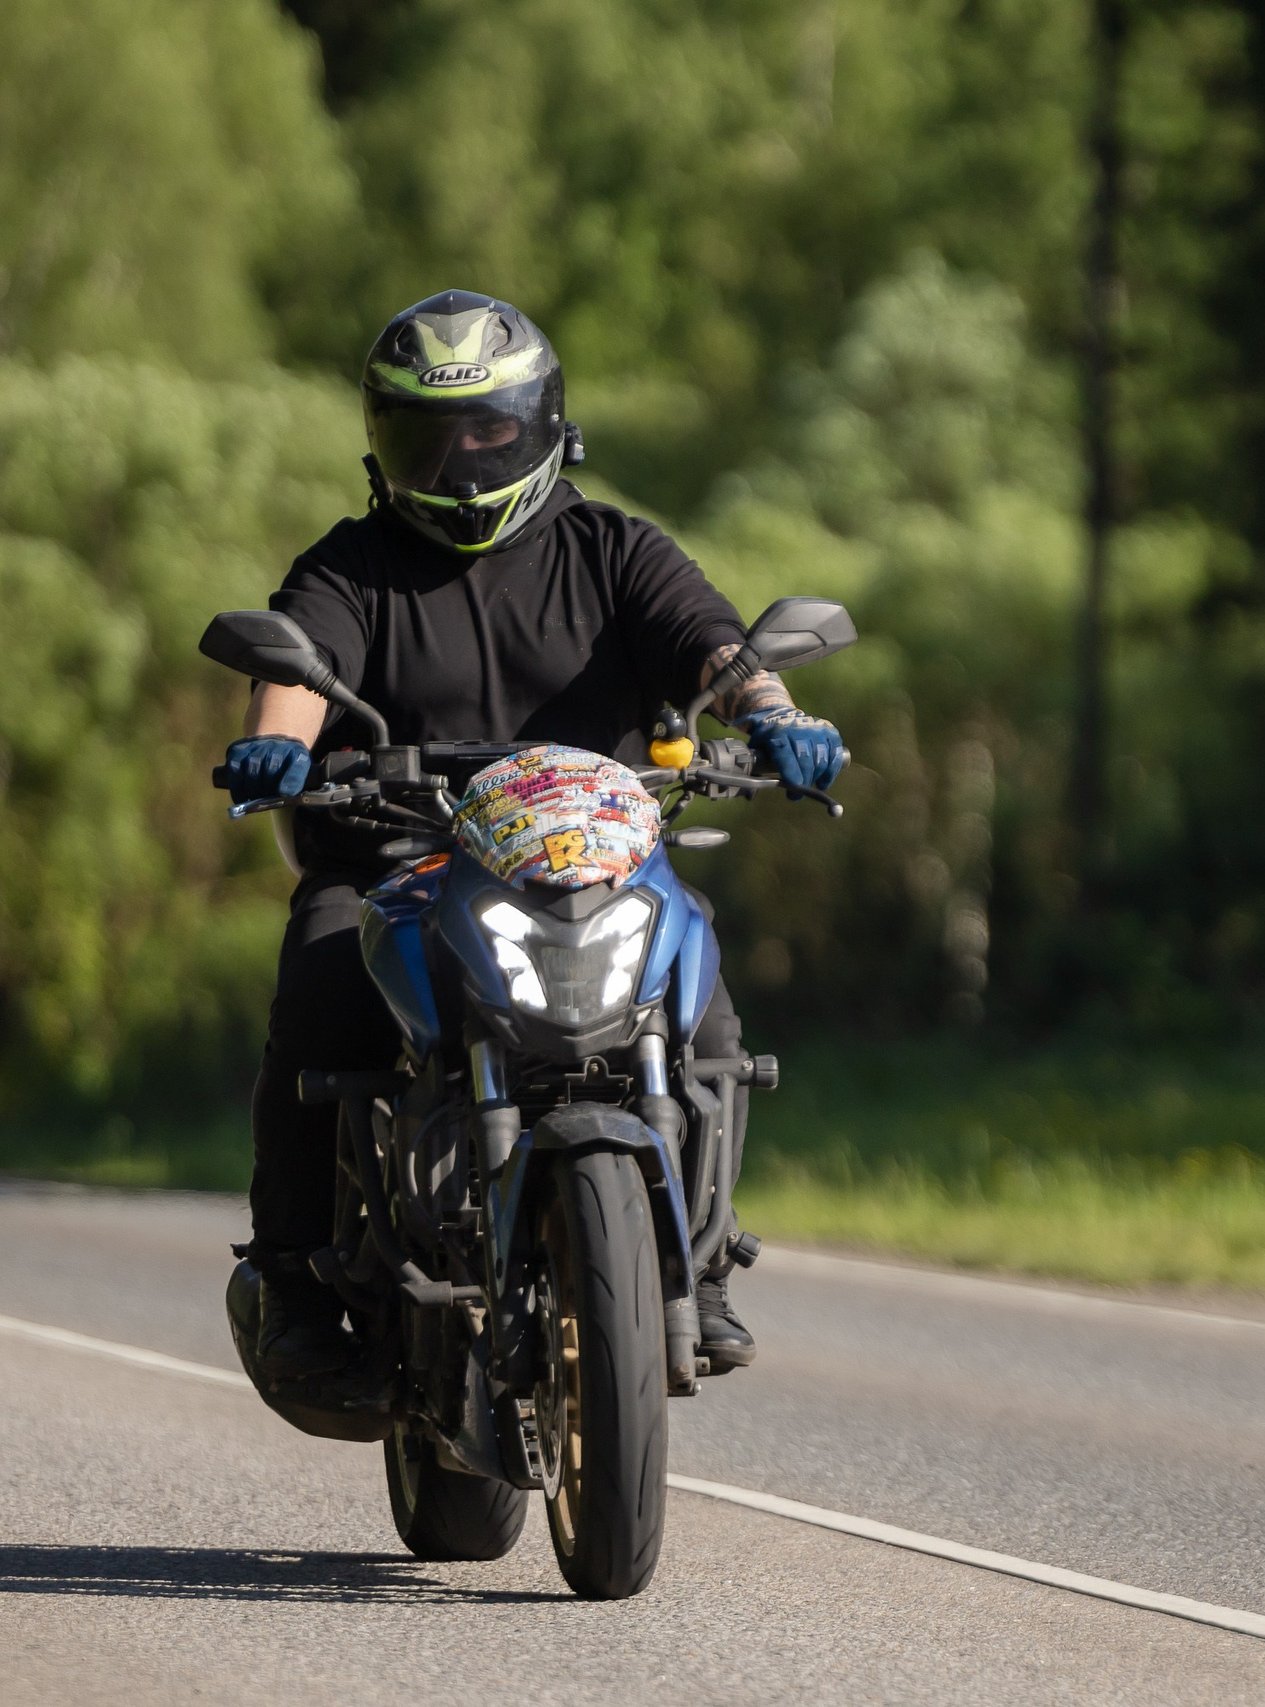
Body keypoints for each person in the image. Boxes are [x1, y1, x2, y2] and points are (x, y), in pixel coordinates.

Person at [221, 290, 848, 1380]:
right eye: (431, 436)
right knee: (321, 977)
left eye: (490, 431)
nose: (463, 462)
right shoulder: (350, 567)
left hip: (596, 863)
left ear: (544, 423)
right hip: (404, 860)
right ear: (383, 442)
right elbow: (299, 668)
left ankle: (699, 1265)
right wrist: (276, 747)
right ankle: (293, 1283)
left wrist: (779, 718)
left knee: (704, 1013)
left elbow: (713, 646)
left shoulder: (616, 551)